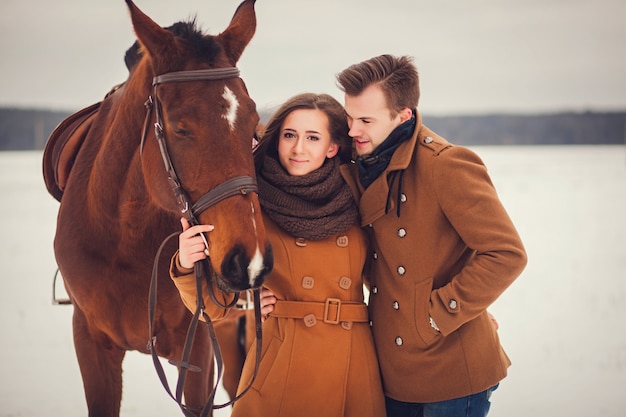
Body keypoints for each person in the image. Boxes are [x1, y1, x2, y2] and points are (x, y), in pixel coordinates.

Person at [333, 54, 528, 417]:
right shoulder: (363, 161)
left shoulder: (446, 165)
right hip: (392, 366)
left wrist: (436, 316)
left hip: (451, 368)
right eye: (349, 117)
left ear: (403, 116)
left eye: (366, 120)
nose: (352, 130)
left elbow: (506, 253)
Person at [170, 93, 386, 417]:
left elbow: (397, 267)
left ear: (332, 147)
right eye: (290, 135)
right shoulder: (250, 205)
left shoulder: (360, 194)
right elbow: (212, 310)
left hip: (354, 362)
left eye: (313, 137)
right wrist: (189, 265)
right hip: (283, 358)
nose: (299, 148)